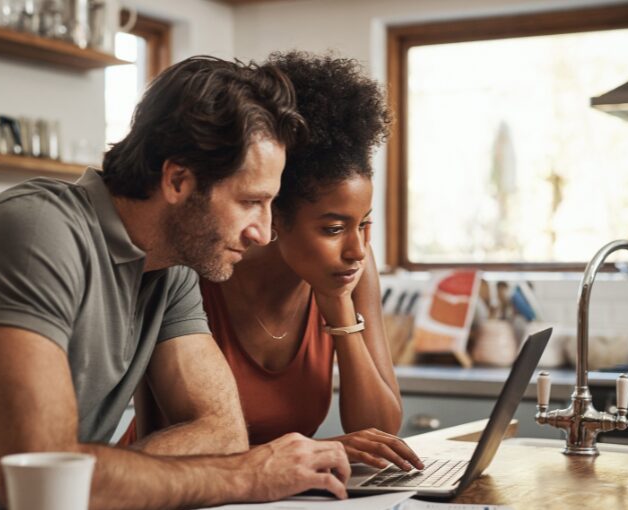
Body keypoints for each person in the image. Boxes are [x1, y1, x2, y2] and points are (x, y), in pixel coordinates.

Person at [0, 56, 351, 510]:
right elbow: (45, 476)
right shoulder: (34, 235)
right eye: (249, 202)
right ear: (178, 181)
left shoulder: (171, 267)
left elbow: (220, 431)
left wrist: (91, 484)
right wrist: (246, 476)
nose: (262, 232)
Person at [133, 52, 422, 473]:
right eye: (332, 228)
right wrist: (319, 450)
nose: (357, 249)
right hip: (175, 491)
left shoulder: (350, 270)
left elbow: (381, 431)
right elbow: (169, 436)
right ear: (274, 214)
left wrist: (338, 305)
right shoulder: (199, 267)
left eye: (364, 224)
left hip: (281, 498)